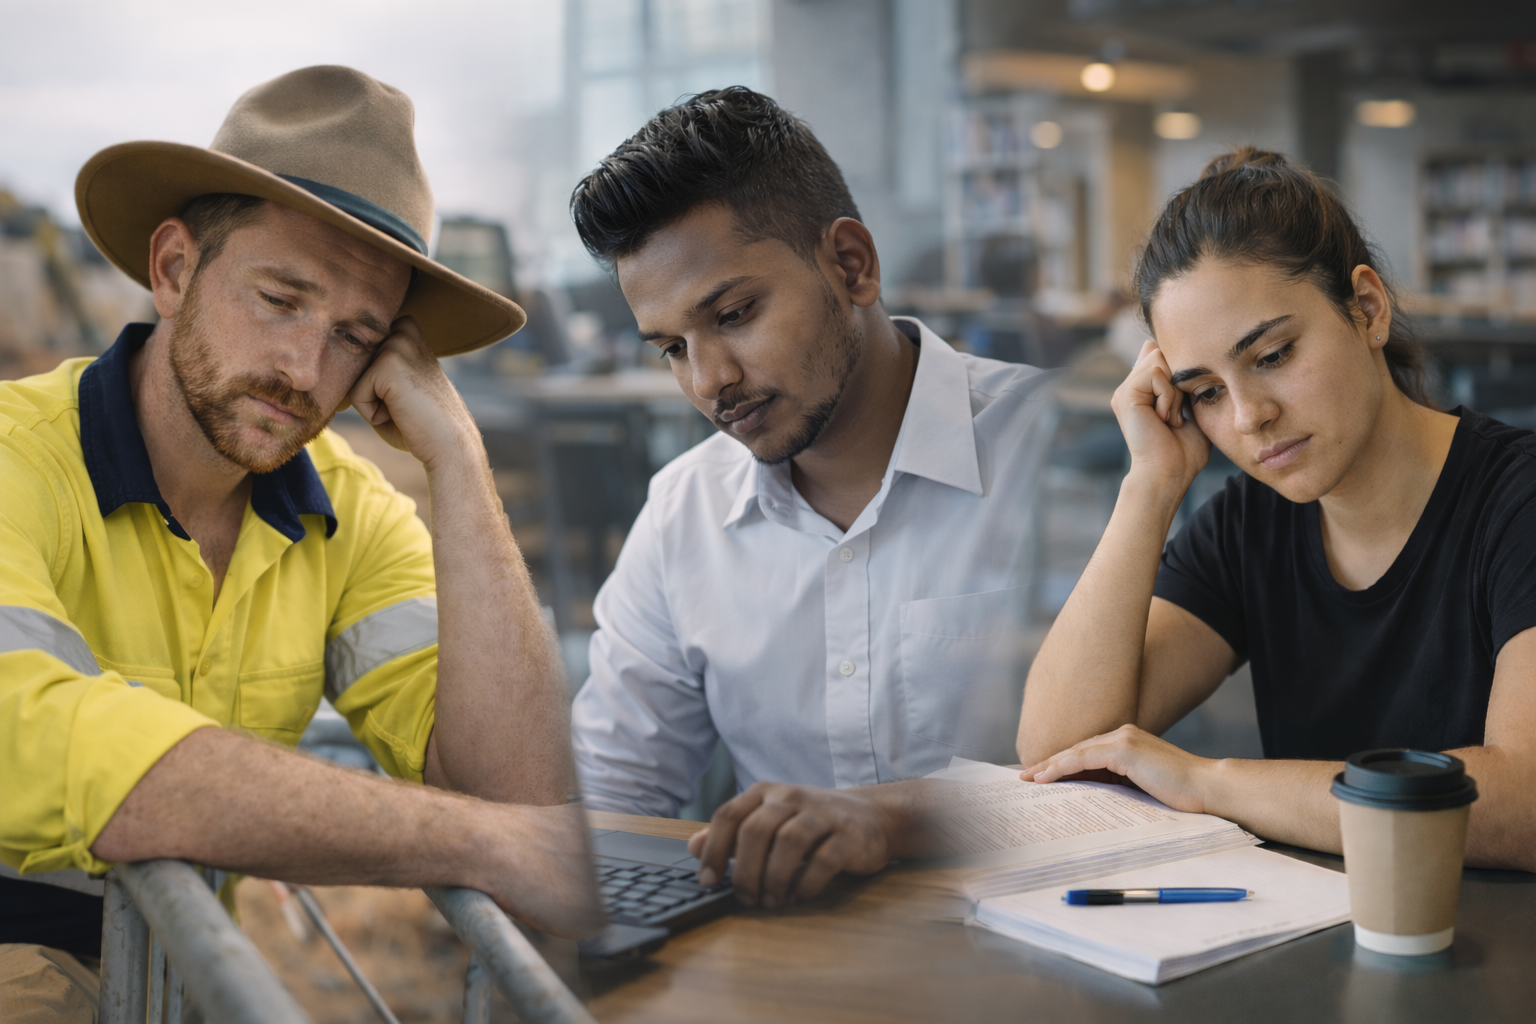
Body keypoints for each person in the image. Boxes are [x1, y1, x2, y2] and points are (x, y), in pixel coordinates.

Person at [0, 66, 601, 1019]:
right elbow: (59, 745)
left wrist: (458, 462)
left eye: (356, 335)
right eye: (280, 299)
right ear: (173, 268)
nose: (304, 370)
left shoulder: (347, 515)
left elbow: (516, 790)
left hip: (163, 981)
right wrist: (478, 845)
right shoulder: (12, 460)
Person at [566, 87, 1055, 908]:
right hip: (786, 968)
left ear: (850, 264)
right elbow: (610, 803)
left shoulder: (1050, 456)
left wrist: (893, 818)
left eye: (734, 314)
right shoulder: (684, 514)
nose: (710, 380)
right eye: (671, 349)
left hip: (1055, 949)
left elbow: (1139, 773)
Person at [1017, 148, 1536, 872]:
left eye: (1272, 355)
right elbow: (1056, 748)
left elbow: (1524, 800)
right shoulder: (1247, 525)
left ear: (1368, 308)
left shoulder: (1517, 500)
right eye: (1204, 393)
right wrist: (1150, 486)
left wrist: (1208, 780)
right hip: (1314, 956)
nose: (1249, 416)